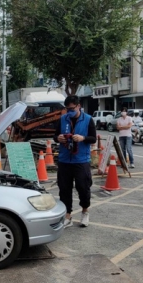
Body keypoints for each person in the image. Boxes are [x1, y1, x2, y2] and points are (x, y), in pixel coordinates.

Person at [54, 95, 97, 227]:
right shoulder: (62, 119)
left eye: (72, 108)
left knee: (83, 188)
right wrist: (58, 138)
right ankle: (68, 216)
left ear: (79, 106)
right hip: (65, 160)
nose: (69, 111)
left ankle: (85, 212)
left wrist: (83, 138)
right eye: (67, 109)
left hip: (81, 160)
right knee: (64, 189)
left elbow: (93, 138)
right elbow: (55, 136)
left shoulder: (88, 119)